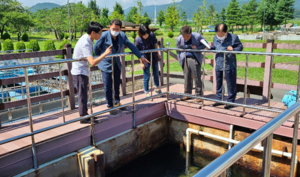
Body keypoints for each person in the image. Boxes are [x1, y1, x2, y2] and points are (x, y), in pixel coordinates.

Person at [93, 19, 149, 115]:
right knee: (108, 85)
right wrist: (102, 56)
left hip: (116, 63)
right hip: (106, 63)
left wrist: (140, 56)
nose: (115, 30)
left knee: (117, 83)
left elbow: (131, 45)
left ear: (120, 29)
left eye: (117, 29)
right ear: (110, 27)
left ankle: (117, 102)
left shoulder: (122, 35)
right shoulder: (104, 35)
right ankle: (110, 106)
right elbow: (95, 48)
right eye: (113, 28)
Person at [71, 21, 112, 123]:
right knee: (82, 95)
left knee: (84, 94)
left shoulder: (87, 38)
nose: (101, 35)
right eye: (99, 33)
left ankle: (85, 114)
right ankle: (83, 117)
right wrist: (105, 54)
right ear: (93, 33)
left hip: (82, 70)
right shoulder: (85, 42)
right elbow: (92, 62)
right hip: (79, 71)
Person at [210, 23, 243, 109]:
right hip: (219, 62)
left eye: (221, 34)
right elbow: (216, 47)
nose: (219, 35)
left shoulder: (233, 37)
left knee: (230, 83)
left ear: (226, 32)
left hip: (229, 63)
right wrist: (210, 48)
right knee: (218, 82)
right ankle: (219, 99)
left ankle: (230, 101)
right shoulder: (215, 38)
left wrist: (234, 49)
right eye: (218, 33)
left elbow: (240, 46)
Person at [176, 25, 207, 102]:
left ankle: (199, 95)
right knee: (187, 77)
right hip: (185, 57)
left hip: (194, 57)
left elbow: (205, 44)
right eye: (184, 36)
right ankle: (187, 94)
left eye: (187, 36)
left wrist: (197, 48)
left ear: (191, 33)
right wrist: (181, 60)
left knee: (197, 76)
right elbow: (178, 50)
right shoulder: (179, 39)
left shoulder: (197, 36)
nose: (185, 37)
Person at [134, 25, 162, 97]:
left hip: (154, 56)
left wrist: (158, 53)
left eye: (147, 34)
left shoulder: (152, 35)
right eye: (144, 35)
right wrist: (141, 62)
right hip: (145, 58)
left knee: (156, 73)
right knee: (147, 76)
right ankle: (146, 91)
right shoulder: (138, 40)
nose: (146, 36)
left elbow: (155, 44)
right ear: (141, 34)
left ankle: (157, 87)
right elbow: (138, 52)